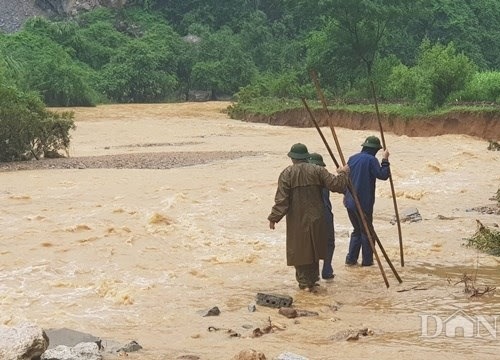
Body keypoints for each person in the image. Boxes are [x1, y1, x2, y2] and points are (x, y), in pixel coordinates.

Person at [268, 143, 349, 291]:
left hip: (297, 221)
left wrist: (274, 217)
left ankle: (304, 284)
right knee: (313, 249)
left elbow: (282, 200)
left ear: (292, 158)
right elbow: (337, 185)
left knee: (300, 251)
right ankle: (312, 283)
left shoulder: (286, 174)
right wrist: (343, 173)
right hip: (317, 218)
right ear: (306, 156)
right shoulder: (318, 170)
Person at [344, 135, 390, 267]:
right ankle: (367, 262)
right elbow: (383, 175)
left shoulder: (352, 158)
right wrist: (385, 160)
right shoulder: (371, 160)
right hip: (363, 203)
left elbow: (346, 177)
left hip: (349, 202)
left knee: (357, 230)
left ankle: (351, 260)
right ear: (375, 150)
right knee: (367, 232)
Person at [308, 152, 335, 280]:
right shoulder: (324, 175)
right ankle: (327, 270)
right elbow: (338, 185)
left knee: (312, 245)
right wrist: (343, 173)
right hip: (325, 214)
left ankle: (313, 275)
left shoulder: (304, 176)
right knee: (329, 242)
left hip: (309, 216)